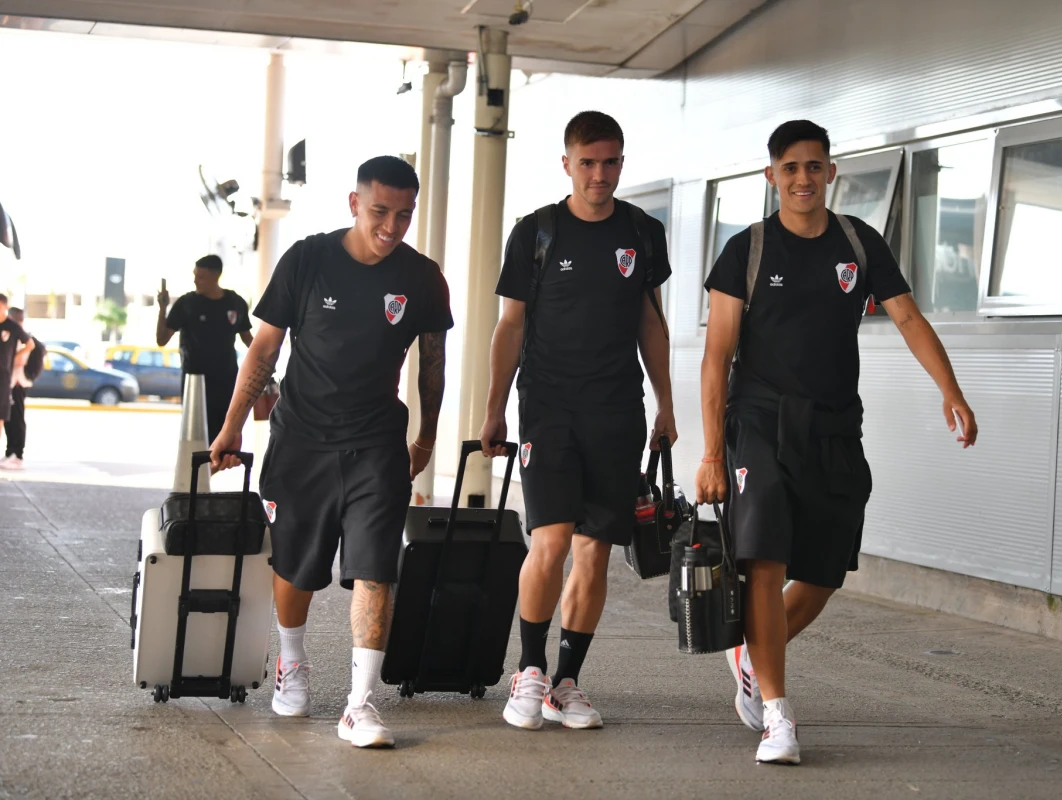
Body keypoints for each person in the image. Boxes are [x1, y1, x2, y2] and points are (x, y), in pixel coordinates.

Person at [694, 120, 978, 765]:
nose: (803, 178)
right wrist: (713, 452)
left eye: (814, 166)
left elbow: (907, 315)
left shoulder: (858, 242)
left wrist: (950, 390)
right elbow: (717, 357)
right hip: (760, 422)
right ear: (772, 176)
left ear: (830, 172)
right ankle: (777, 714)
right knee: (764, 558)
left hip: (832, 426)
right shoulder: (747, 250)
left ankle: (751, 658)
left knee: (822, 573)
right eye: (790, 168)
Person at [208, 155, 453, 749]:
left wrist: (425, 437)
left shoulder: (422, 277)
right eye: (379, 212)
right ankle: (291, 661)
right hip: (302, 439)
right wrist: (232, 428)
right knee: (296, 567)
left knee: (376, 567)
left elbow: (433, 363)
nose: (392, 226)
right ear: (354, 203)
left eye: (404, 214)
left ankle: (360, 703)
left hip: (376, 443)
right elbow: (263, 349)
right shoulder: (308, 260)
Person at [478, 111, 676, 731]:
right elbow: (509, 326)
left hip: (617, 409)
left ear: (622, 162)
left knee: (593, 551)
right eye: (587, 162)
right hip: (548, 406)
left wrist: (667, 404)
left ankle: (568, 682)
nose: (599, 174)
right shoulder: (537, 232)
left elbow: (651, 322)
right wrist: (493, 408)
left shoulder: (643, 232)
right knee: (552, 539)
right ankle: (529, 670)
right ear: (567, 163)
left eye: (610, 161)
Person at [158, 254, 253, 442]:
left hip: (226, 380)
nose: (195, 281)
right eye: (194, 275)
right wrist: (162, 308)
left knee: (221, 438)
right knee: (195, 437)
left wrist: (265, 366)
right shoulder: (186, 303)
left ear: (216, 276)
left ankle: (208, 471)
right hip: (195, 382)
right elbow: (162, 339)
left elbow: (248, 339)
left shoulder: (235, 302)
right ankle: (198, 471)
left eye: (200, 277)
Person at [1, 307, 39, 470]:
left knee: (16, 418)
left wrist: (26, 377)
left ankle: (17, 453)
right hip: (10, 382)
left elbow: (35, 360)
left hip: (18, 382)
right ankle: (10, 452)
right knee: (9, 420)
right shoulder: (14, 337)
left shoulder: (26, 338)